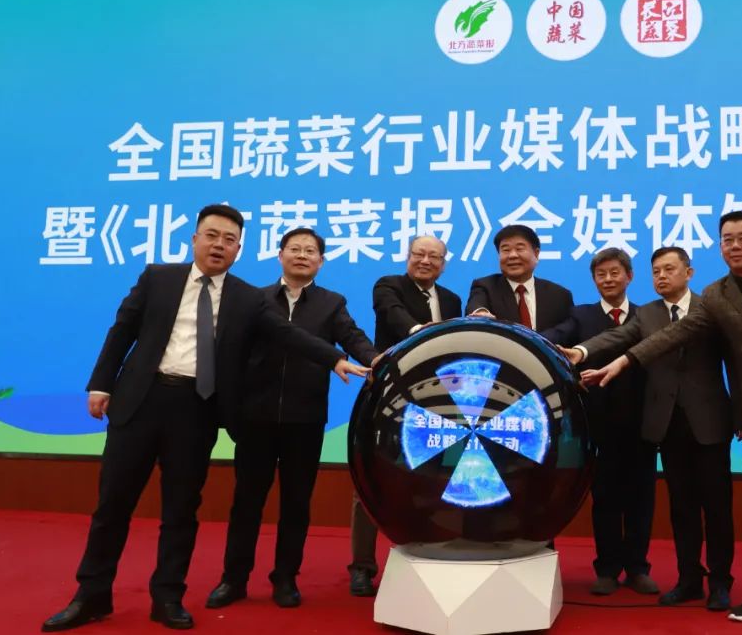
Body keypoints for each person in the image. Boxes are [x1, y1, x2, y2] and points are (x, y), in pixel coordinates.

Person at [41, 205, 368, 632]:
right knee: (112, 505)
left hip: (196, 409)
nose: (219, 245)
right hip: (140, 401)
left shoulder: (247, 297)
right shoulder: (158, 277)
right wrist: (101, 383)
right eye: (211, 236)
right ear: (195, 239)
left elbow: (287, 334)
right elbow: (122, 330)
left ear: (239, 250)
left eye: (229, 240)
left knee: (181, 510)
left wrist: (334, 359)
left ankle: (167, 597)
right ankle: (91, 595)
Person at [575, 210, 742, 622]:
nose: (735, 246)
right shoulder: (718, 295)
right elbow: (673, 334)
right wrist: (621, 361)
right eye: (727, 240)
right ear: (719, 247)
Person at [206, 227, 377, 610]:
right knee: (247, 501)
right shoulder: (255, 299)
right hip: (256, 417)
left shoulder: (331, 303)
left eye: (310, 251)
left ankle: (285, 579)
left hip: (306, 418)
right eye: (294, 248)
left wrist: (375, 358)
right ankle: (233, 579)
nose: (302, 255)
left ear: (321, 261)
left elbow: (353, 337)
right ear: (280, 255)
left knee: (297, 503)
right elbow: (232, 352)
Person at [571, 247, 735, 611]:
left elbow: (736, 360)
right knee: (682, 508)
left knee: (717, 508)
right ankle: (689, 579)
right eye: (656, 271)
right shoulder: (647, 314)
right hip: (667, 425)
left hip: (709, 422)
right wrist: (581, 352)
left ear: (689, 273)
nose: (661, 276)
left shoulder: (711, 307)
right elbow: (615, 338)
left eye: (669, 269)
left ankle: (720, 581)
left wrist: (741, 412)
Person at [346, 235, 462, 597]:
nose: (426, 261)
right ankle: (362, 567)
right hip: (391, 397)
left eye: (434, 257)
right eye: (419, 254)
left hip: (437, 403)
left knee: (432, 480)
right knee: (372, 480)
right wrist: (419, 333)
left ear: (443, 264)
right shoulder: (388, 285)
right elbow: (393, 314)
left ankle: (426, 554)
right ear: (408, 256)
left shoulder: (452, 300)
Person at [542, 248, 657, 597]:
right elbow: (557, 335)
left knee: (641, 499)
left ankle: (637, 568)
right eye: (601, 275)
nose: (608, 280)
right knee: (604, 498)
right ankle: (607, 569)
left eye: (614, 273)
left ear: (629, 276)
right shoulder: (581, 315)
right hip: (598, 423)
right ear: (593, 280)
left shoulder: (648, 316)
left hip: (642, 423)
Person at [465, 224, 573, 332]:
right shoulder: (485, 286)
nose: (512, 255)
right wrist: (480, 313)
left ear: (536, 254)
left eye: (519, 249)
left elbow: (569, 333)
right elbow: (477, 304)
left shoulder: (559, 295)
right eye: (506, 250)